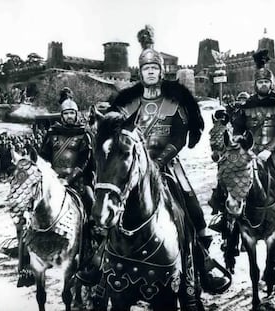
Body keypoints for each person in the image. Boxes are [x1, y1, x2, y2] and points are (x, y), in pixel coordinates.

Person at [78, 25, 231, 296]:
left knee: (189, 205)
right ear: (140, 72)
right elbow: (113, 131)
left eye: (155, 69)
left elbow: (179, 136)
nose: (150, 73)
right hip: (129, 163)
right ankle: (100, 260)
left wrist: (158, 161)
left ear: (161, 72)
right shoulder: (127, 102)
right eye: (146, 69)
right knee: (110, 203)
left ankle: (201, 262)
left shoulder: (174, 100)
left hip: (165, 164)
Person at [209, 49, 275, 257]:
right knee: (228, 174)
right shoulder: (246, 105)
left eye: (266, 82)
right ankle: (225, 223)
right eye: (260, 82)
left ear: (271, 83)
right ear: (255, 84)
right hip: (249, 153)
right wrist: (237, 145)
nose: (263, 85)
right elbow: (237, 128)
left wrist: (267, 151)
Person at [16, 93, 96, 287]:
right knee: (27, 212)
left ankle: (91, 253)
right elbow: (43, 157)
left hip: (76, 182)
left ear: (76, 114)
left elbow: (85, 161)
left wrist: (68, 180)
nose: (69, 116)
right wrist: (47, 176)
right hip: (53, 179)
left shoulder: (84, 134)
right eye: (66, 113)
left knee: (93, 206)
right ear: (62, 114)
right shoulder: (52, 133)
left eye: (72, 113)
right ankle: (25, 265)